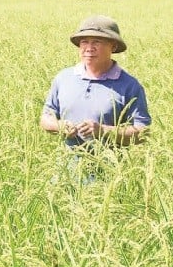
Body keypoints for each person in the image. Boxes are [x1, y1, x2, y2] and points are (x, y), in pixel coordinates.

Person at [40, 15, 151, 181]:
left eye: (97, 42)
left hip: (108, 180)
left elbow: (143, 132)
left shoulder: (129, 85)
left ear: (113, 46)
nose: (89, 48)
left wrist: (103, 131)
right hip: (64, 177)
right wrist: (60, 126)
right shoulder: (63, 78)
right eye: (84, 42)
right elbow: (45, 118)